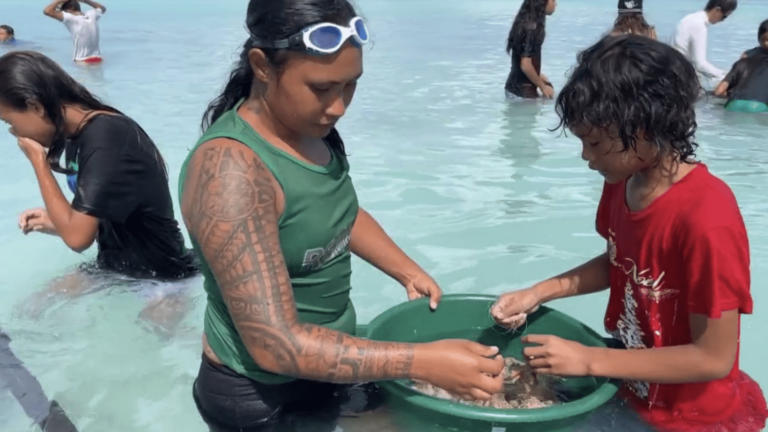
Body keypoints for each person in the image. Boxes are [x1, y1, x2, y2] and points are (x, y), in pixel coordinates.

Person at [178, 0, 505, 430]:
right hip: (261, 396)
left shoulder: (313, 130)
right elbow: (273, 345)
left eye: (350, 86)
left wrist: (405, 270)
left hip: (330, 364)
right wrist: (424, 362)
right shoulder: (231, 174)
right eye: (321, 88)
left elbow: (336, 211)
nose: (339, 108)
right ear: (261, 65)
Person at [491, 35, 768, 432]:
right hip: (632, 383)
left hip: (690, 416)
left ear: (642, 128)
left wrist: (590, 360)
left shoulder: (708, 219)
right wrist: (540, 292)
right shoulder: (624, 179)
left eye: (596, 142)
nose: (587, 156)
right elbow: (621, 261)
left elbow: (713, 358)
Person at [0, 51, 199, 332]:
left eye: (9, 122)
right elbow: (90, 224)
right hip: (113, 265)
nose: (13, 133)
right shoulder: (77, 134)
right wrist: (53, 220)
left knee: (146, 344)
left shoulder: (107, 136)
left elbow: (78, 238)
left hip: (165, 277)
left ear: (35, 107)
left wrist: (38, 162)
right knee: (28, 311)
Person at [671, 0, 737, 86]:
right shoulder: (699, 25)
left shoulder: (690, 18)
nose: (722, 21)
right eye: (724, 17)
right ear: (717, 10)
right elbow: (700, 64)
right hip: (680, 75)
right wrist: (723, 75)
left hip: (674, 69)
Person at [504, 0, 557, 99]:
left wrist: (539, 77)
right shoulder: (533, 29)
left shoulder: (524, 22)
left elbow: (520, 63)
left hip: (513, 90)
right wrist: (543, 87)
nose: (555, 4)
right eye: (553, 0)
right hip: (522, 95)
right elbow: (525, 65)